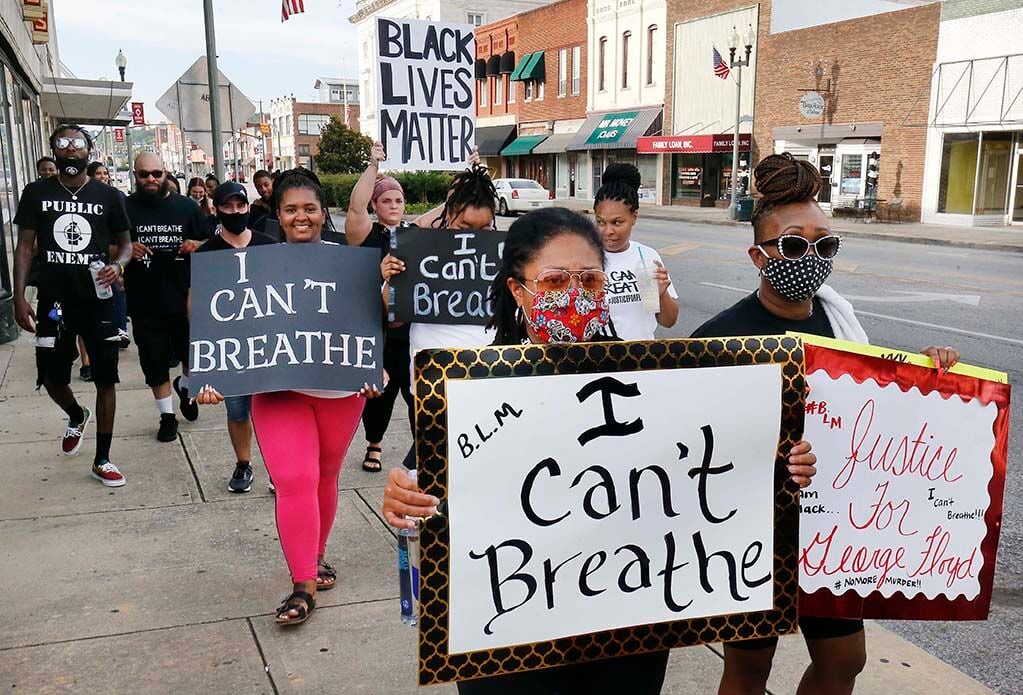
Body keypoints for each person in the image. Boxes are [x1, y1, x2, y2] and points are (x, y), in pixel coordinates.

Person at [381, 207, 820, 694]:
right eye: (554, 281)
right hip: (511, 640)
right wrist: (404, 501)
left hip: (628, 630)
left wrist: (782, 466)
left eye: (590, 280)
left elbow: (710, 465)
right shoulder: (471, 386)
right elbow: (423, 486)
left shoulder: (650, 380)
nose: (575, 295)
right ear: (516, 290)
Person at [689, 153, 960, 695]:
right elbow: (689, 448)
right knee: (748, 670)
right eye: (792, 244)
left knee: (844, 661)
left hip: (832, 527)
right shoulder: (719, 339)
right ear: (758, 255)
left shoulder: (840, 324)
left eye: (824, 243)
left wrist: (934, 374)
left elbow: (882, 406)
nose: (809, 255)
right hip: (753, 534)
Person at [196, 171, 382, 626]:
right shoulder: (253, 262)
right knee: (296, 478)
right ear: (276, 214)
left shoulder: (348, 260)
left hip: (341, 390)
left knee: (326, 475)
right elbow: (225, 326)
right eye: (291, 209)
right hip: (279, 391)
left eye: (310, 208)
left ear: (323, 212)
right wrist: (211, 373)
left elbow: (370, 318)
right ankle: (303, 584)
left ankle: (316, 556)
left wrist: (376, 365)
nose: (301, 217)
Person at [13, 124, 132, 487]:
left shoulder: (109, 196)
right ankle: (76, 414)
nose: (70, 150)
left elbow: (126, 244)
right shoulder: (36, 193)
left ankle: (102, 458)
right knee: (50, 374)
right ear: (54, 150)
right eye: (62, 144)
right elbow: (25, 246)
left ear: (88, 150)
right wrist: (20, 296)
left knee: (105, 377)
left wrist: (119, 265)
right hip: (53, 300)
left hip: (98, 300)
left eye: (77, 144)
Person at [380, 160, 498, 471]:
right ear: (446, 220)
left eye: (484, 228)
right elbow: (394, 320)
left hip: (490, 379)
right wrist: (392, 280)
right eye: (463, 228)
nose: (474, 237)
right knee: (432, 466)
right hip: (434, 382)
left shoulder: (507, 256)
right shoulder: (420, 253)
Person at [191, 181, 278, 493]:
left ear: (247, 207)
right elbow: (195, 308)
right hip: (231, 348)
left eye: (240, 205)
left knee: (273, 411)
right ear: (217, 209)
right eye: (227, 206)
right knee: (238, 411)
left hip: (270, 346)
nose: (235, 211)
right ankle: (244, 463)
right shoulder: (206, 254)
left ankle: (278, 469)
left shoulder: (269, 246)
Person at [124, 153, 207, 442]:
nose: (151, 179)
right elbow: (105, 246)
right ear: (135, 175)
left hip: (184, 297)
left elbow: (212, 242)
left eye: (156, 173)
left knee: (192, 357)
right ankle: (167, 416)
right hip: (144, 300)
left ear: (165, 173)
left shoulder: (186, 207)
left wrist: (197, 244)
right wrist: (125, 250)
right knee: (154, 361)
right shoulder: (124, 208)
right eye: (144, 174)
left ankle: (185, 386)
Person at [346, 142, 412, 471]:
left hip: (412, 330)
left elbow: (451, 211)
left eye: (398, 199)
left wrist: (473, 171)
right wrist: (373, 165)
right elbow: (355, 207)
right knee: (379, 395)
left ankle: (424, 448)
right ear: (376, 203)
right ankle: (374, 445)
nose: (393, 205)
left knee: (418, 394)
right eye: (386, 199)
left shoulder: (416, 233)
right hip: (377, 328)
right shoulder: (366, 233)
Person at [594, 163, 678, 340]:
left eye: (617, 222)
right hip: (599, 360)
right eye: (601, 222)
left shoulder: (646, 256)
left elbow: (668, 321)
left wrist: (661, 295)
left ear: (634, 217)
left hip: (643, 358)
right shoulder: (587, 259)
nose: (608, 231)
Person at [88, 161, 130, 350]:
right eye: (98, 173)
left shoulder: (116, 196)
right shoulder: (85, 197)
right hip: (89, 256)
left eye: (105, 173)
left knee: (116, 289)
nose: (103, 176)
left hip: (112, 255)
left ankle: (119, 329)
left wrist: (118, 261)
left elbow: (124, 233)